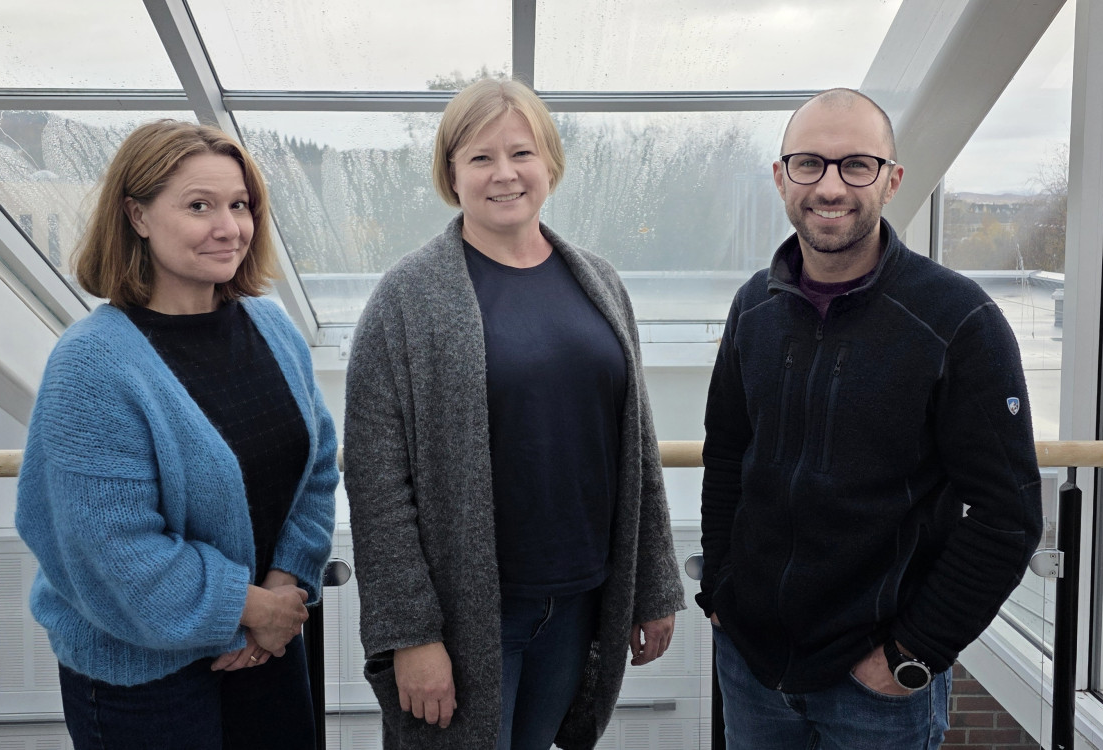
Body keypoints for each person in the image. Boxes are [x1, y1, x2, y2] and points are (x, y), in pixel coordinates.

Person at [344, 77, 686, 749]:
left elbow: (636, 446)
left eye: (522, 153)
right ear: (451, 174)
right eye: (479, 158)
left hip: (578, 601)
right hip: (470, 613)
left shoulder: (598, 279)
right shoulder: (407, 298)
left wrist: (653, 584)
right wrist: (411, 633)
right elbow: (376, 481)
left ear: (551, 163)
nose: (505, 174)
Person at [697, 88, 1043, 749]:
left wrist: (914, 650)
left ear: (892, 179)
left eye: (856, 164)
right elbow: (728, 461)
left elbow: (1009, 514)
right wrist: (721, 591)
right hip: (752, 666)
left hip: (875, 686)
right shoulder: (753, 308)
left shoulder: (959, 321)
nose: (830, 186)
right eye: (809, 164)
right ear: (780, 177)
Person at [15, 120, 339, 750]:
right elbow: (112, 549)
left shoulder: (272, 326)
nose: (229, 227)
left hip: (271, 646)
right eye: (199, 206)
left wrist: (283, 587)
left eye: (239, 205)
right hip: (145, 679)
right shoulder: (92, 363)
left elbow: (317, 470)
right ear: (136, 215)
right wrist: (245, 609)